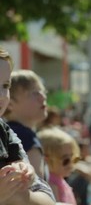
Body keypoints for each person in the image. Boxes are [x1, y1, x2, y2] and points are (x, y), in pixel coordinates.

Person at [0, 46, 55, 205]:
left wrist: (28, 177)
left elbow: (45, 193)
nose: (2, 96)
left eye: (5, 86)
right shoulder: (23, 134)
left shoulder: (4, 131)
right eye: (33, 93)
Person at [4, 69, 49, 180]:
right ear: (10, 104)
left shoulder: (6, 132)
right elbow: (37, 187)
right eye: (34, 93)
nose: (43, 97)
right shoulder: (25, 137)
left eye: (42, 91)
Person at [37, 127, 80, 204]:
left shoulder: (59, 180)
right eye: (66, 160)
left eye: (73, 158)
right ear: (47, 160)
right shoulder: (52, 186)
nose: (71, 164)